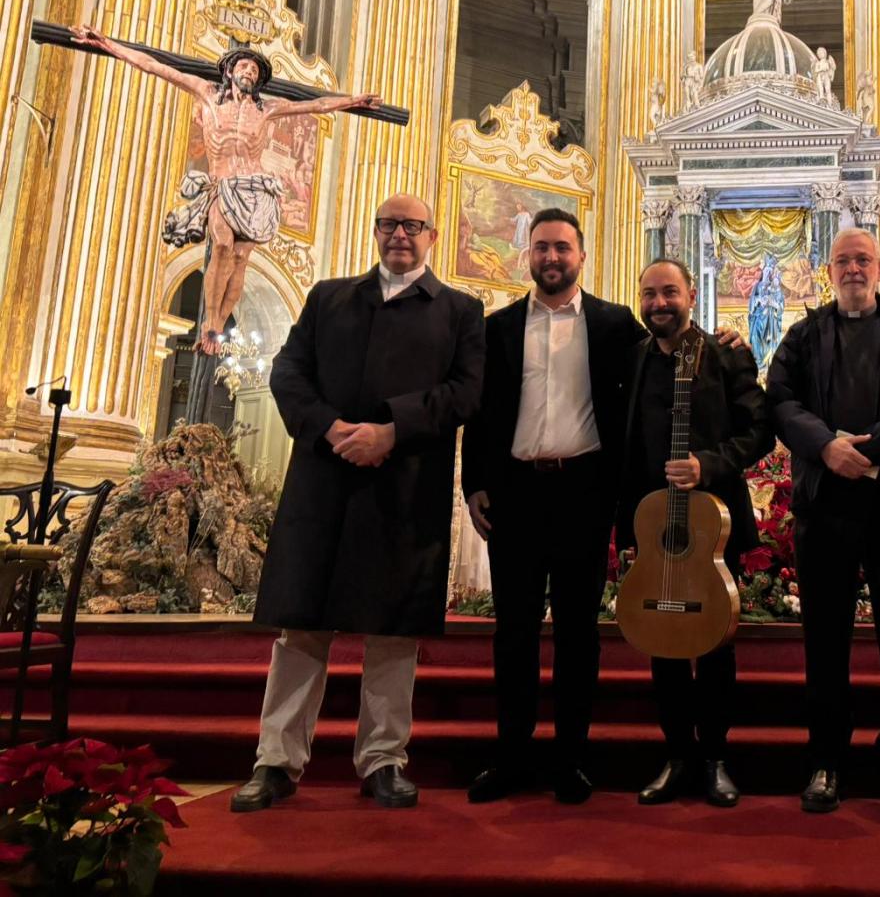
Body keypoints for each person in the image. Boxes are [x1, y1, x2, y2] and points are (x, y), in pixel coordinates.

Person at [231, 194, 485, 812]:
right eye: (389, 224)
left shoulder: (459, 309)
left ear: (432, 234)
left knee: (393, 634)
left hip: (404, 487)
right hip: (324, 479)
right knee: (303, 627)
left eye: (413, 225)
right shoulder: (328, 297)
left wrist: (391, 430)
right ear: (375, 232)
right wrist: (330, 428)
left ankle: (383, 761)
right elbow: (289, 371)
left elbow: (466, 392)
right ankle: (276, 761)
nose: (400, 234)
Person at [461, 208, 644, 805]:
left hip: (584, 492)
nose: (551, 258)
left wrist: (720, 341)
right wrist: (473, 484)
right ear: (528, 256)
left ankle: (571, 759)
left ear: (582, 256)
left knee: (577, 633)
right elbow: (479, 413)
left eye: (562, 248)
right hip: (515, 492)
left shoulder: (617, 325)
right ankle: (510, 756)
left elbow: (669, 360)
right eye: (541, 248)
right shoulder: (497, 326)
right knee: (512, 632)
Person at [767, 227, 880, 818]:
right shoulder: (802, 335)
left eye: (862, 259)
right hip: (825, 507)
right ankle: (826, 761)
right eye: (842, 260)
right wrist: (825, 447)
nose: (852, 269)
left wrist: (864, 450)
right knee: (824, 641)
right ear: (828, 270)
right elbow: (781, 402)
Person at [68, 25, 380, 354]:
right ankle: (212, 321)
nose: (249, 71)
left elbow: (317, 105)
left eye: (255, 69)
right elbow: (154, 66)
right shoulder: (205, 92)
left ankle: (221, 324)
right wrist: (106, 43)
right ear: (230, 71)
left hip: (257, 189)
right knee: (221, 246)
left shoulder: (267, 109)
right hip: (224, 185)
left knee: (242, 257)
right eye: (244, 66)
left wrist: (354, 100)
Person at [618, 258, 773, 808]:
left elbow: (759, 431)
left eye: (670, 293)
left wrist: (709, 464)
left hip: (713, 525)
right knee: (662, 642)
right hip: (652, 522)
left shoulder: (727, 352)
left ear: (691, 296)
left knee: (713, 644)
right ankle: (677, 754)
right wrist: (626, 528)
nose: (660, 303)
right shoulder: (631, 357)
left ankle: (715, 758)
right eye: (650, 294)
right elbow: (625, 446)